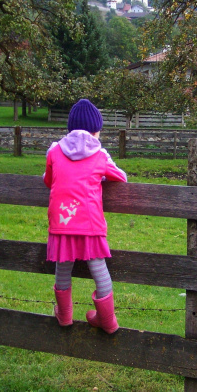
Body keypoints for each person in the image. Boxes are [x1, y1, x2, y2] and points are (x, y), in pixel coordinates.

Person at [44, 99, 127, 334]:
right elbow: (121, 177)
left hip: (62, 221)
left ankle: (65, 316)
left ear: (70, 128)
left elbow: (48, 180)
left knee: (63, 270)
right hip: (90, 224)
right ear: (96, 130)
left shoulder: (54, 151)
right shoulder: (100, 155)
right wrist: (99, 177)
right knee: (99, 270)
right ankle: (108, 321)